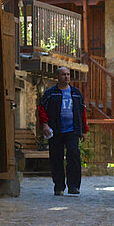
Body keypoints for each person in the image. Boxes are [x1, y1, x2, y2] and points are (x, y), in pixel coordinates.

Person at [38, 66, 88, 196]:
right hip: (56, 130)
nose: (66, 77)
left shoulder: (76, 93)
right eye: (63, 74)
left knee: (74, 156)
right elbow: (42, 109)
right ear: (57, 77)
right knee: (56, 158)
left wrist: (84, 130)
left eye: (68, 75)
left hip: (72, 130)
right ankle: (59, 186)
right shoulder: (51, 93)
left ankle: (74, 186)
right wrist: (45, 125)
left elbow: (82, 112)